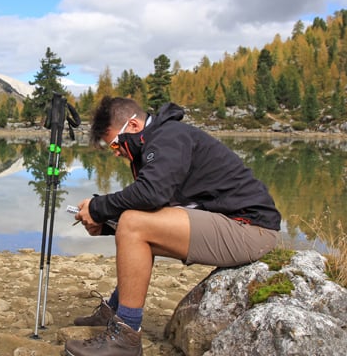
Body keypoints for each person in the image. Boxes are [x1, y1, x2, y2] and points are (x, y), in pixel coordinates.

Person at [64, 97, 281, 356]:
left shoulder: (169, 137)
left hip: (250, 229)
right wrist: (107, 224)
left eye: (114, 145)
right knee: (133, 223)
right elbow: (158, 208)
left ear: (132, 125)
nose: (117, 152)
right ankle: (115, 311)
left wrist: (99, 207)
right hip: (232, 225)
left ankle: (125, 339)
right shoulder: (159, 139)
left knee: (133, 225)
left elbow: (152, 194)